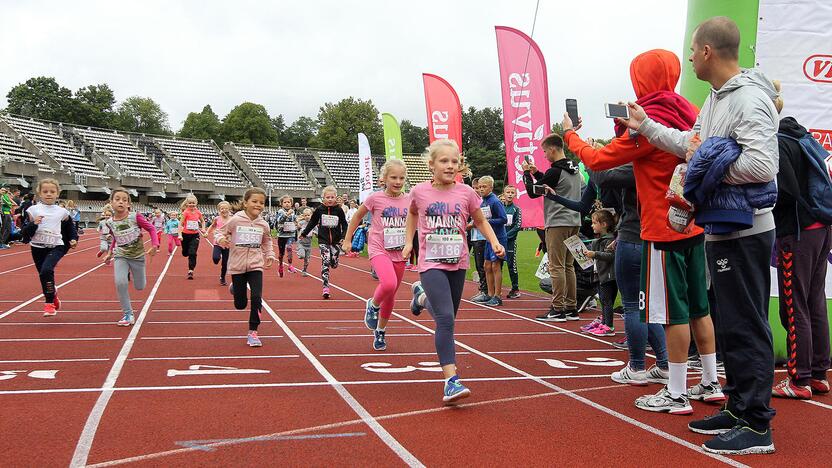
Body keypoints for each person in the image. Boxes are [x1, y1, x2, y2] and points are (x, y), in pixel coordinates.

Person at [620, 18, 779, 454]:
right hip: (723, 229)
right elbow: (691, 144)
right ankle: (738, 406)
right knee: (731, 323)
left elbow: (764, 167)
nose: (688, 57)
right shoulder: (716, 99)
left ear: (707, 51)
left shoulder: (748, 99)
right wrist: (648, 126)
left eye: (692, 50)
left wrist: (701, 169)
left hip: (746, 230)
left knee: (746, 325)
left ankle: (757, 425)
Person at [405, 139, 505, 403]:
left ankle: (420, 298)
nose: (450, 166)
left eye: (454, 161)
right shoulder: (419, 192)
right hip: (431, 263)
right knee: (446, 319)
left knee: (446, 317)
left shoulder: (466, 193)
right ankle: (451, 380)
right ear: (431, 165)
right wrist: (408, 242)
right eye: (444, 161)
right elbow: (412, 215)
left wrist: (494, 241)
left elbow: (481, 220)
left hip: (458, 261)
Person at [770, 85, 831, 399]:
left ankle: (799, 379)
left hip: (797, 230)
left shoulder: (778, 143)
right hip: (822, 227)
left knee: (794, 305)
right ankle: (819, 373)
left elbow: (785, 191)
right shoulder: (804, 138)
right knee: (814, 300)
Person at [342, 159, 410, 351]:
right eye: (393, 177)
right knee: (388, 284)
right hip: (379, 248)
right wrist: (348, 239)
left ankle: (380, 331)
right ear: (384, 179)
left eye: (401, 178)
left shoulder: (410, 199)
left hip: (400, 250)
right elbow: (357, 216)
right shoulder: (375, 198)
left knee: (391, 294)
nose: (397, 181)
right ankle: (372, 304)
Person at [523, 134, 583, 321]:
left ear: (553, 149)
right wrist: (537, 173)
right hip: (574, 221)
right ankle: (571, 307)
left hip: (557, 222)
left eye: (545, 151)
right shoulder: (574, 169)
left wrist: (526, 174)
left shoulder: (554, 171)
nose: (545, 155)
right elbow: (554, 184)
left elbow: (534, 192)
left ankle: (557, 309)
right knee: (568, 266)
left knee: (555, 266)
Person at [217, 188, 275, 347]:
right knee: (240, 305)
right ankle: (235, 288)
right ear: (246, 203)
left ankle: (253, 332)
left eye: (262, 203)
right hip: (237, 265)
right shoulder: (235, 220)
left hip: (256, 265)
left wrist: (269, 254)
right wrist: (222, 239)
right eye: (255, 201)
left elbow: (267, 241)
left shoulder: (263, 224)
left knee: (257, 297)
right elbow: (220, 232)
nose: (258, 205)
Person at [20, 179, 78, 316]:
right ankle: (53, 294)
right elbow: (24, 231)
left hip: (56, 246)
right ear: (39, 193)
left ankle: (49, 303)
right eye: (45, 191)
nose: (49, 194)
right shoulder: (32, 210)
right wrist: (34, 224)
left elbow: (70, 227)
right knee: (44, 275)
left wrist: (73, 239)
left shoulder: (62, 212)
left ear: (57, 194)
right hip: (37, 247)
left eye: (52, 192)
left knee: (47, 270)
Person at [102, 189, 160, 326]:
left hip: (138, 256)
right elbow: (116, 238)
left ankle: (137, 277)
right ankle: (128, 314)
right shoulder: (109, 222)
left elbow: (151, 229)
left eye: (124, 199)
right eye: (117, 199)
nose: (120, 201)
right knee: (120, 282)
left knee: (140, 286)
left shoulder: (135, 217)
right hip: (121, 255)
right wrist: (110, 253)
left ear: (128, 204)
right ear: (111, 203)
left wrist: (155, 244)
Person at [300, 186, 347, 299]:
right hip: (323, 240)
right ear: (323, 198)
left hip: (335, 241)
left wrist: (343, 237)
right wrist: (304, 233)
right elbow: (312, 222)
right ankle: (325, 287)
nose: (330, 199)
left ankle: (334, 260)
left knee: (333, 264)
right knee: (325, 261)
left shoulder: (339, 210)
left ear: (336, 198)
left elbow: (345, 225)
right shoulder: (319, 210)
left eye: (332, 197)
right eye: (327, 197)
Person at [583, 210, 617, 336]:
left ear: (604, 224)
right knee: (604, 300)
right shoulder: (599, 240)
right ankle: (604, 322)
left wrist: (595, 254)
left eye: (594, 223)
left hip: (608, 276)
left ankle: (609, 326)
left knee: (607, 301)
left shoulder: (610, 240)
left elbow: (610, 256)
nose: (592, 225)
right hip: (600, 275)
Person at [477, 176, 507, 306]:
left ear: (491, 187)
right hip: (488, 238)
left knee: (496, 266)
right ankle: (489, 294)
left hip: (498, 238)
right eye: (479, 187)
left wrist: (487, 222)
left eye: (484, 187)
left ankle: (497, 295)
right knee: (486, 266)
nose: (481, 189)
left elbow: (503, 219)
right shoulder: (482, 201)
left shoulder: (495, 201)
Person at [468, 177, 488, 301]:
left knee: (482, 266)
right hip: (474, 236)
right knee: (478, 264)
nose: (477, 190)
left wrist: (474, 223)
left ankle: (485, 291)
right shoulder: (472, 201)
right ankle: (484, 289)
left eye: (479, 187)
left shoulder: (484, 201)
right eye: (475, 188)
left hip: (482, 236)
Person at [178, 194, 206, 279]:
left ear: (196, 203)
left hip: (195, 235)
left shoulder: (198, 212)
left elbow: (203, 221)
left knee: (192, 253)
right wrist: (179, 234)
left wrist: (203, 228)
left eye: (193, 203)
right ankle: (184, 251)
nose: (191, 204)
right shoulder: (185, 212)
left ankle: (191, 270)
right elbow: (180, 224)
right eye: (190, 203)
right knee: (185, 253)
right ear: (187, 204)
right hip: (185, 235)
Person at [502, 185, 523, 299]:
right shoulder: (499, 207)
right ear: (504, 194)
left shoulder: (517, 209)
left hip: (510, 242)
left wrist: (505, 236)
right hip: (498, 242)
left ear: (515, 195)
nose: (510, 194)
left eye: (512, 192)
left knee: (511, 265)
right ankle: (495, 289)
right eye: (508, 192)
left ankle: (515, 289)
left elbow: (517, 226)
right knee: (496, 265)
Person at [205, 201, 232, 285]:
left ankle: (222, 277)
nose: (224, 210)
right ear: (219, 210)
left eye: (226, 208)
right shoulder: (217, 218)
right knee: (216, 258)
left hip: (228, 243)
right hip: (218, 242)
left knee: (225, 263)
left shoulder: (233, 218)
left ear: (229, 209)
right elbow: (212, 226)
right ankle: (217, 259)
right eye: (222, 208)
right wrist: (207, 232)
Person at [274, 195, 298, 276]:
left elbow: (295, 221)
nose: (287, 204)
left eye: (289, 202)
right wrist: (287, 214)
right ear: (281, 204)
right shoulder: (280, 211)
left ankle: (290, 265)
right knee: (281, 253)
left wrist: (297, 223)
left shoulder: (293, 212)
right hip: (282, 235)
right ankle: (280, 264)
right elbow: (279, 220)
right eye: (285, 202)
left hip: (290, 234)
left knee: (289, 247)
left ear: (291, 203)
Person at [296, 208, 313, 276]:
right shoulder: (301, 223)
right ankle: (299, 253)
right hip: (301, 243)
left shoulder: (312, 224)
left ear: (311, 215)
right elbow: (297, 227)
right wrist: (298, 226)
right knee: (302, 255)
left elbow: (317, 232)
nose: (307, 217)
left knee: (307, 260)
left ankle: (304, 270)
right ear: (303, 216)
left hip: (309, 244)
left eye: (308, 215)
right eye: (305, 215)